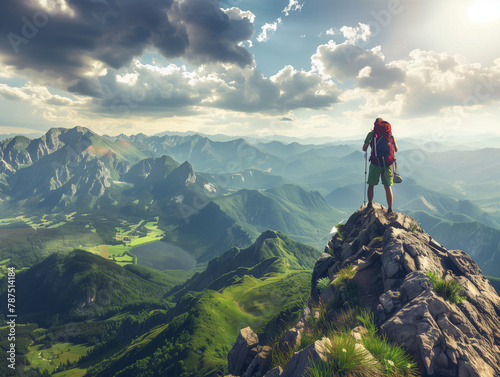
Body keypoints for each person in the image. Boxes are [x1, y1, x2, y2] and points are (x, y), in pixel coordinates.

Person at [362, 117, 398, 213]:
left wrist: (370, 144)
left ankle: (370, 204)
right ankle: (390, 208)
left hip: (375, 162)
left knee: (371, 184)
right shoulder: (390, 135)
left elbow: (364, 148)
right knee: (387, 187)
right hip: (387, 163)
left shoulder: (372, 134)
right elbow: (396, 149)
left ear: (375, 124)